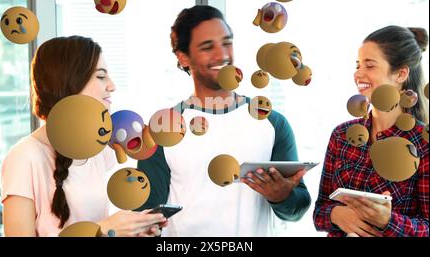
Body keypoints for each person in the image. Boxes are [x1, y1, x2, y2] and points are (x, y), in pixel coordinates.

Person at [137, 5, 311, 236]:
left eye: (227, 43)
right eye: (208, 47)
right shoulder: (163, 128)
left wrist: (282, 196)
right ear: (183, 58)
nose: (223, 55)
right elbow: (146, 214)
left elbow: (297, 208)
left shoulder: (272, 123)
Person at [1, 36, 167, 237]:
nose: (112, 85)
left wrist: (131, 230)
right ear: (70, 80)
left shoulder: (99, 150)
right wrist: (104, 230)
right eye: (101, 76)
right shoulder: (24, 157)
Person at [313, 25, 429, 237]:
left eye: (370, 66)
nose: (358, 73)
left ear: (401, 73)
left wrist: (387, 221)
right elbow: (320, 211)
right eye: (358, 65)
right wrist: (336, 214)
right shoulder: (341, 135)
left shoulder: (423, 143)